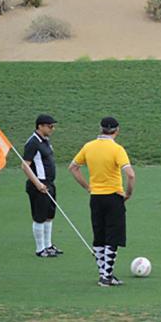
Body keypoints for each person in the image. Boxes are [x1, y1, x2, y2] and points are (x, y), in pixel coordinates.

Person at [68, 117, 136, 287]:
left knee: (99, 236)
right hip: (113, 197)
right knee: (112, 237)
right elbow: (130, 174)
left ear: (100, 129)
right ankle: (106, 276)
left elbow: (73, 168)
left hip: (96, 197)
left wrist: (88, 187)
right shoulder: (117, 149)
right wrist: (128, 193)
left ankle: (105, 274)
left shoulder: (88, 146)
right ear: (117, 130)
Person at [22, 114, 63, 258]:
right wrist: (38, 183)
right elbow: (25, 165)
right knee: (39, 217)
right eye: (50, 126)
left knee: (49, 216)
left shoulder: (45, 140)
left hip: (49, 184)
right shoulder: (32, 142)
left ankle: (48, 245)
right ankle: (40, 249)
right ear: (40, 126)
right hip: (38, 186)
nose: (52, 128)